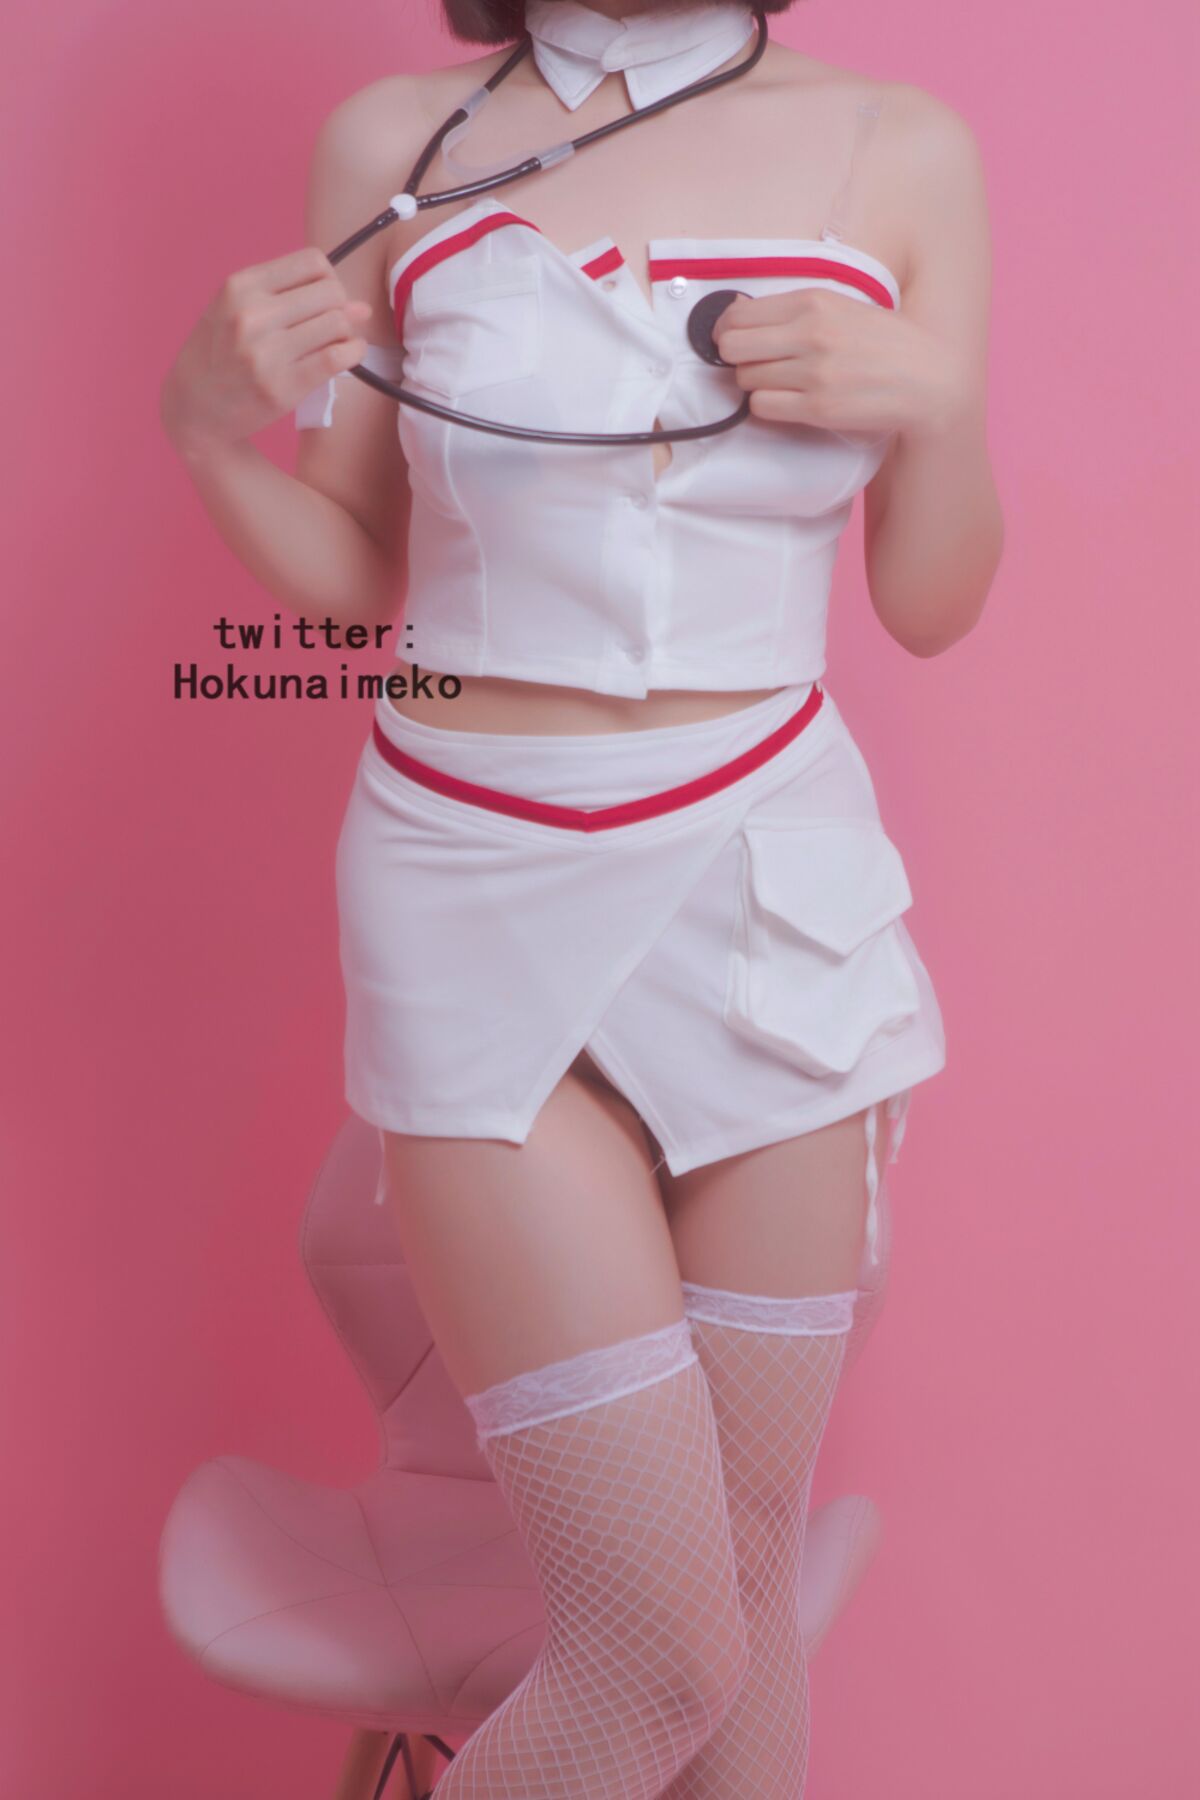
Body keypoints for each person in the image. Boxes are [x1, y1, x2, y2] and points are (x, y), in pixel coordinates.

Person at [160, 2, 1002, 1792]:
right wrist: (207, 432)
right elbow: (352, 576)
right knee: (653, 1648)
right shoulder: (394, 141)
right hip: (472, 879)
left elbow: (932, 603)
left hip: (768, 882)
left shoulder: (902, 146)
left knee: (744, 1601)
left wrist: (937, 407)